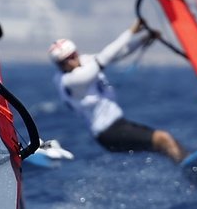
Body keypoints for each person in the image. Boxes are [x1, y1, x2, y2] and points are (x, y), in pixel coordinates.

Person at [48, 20, 188, 163]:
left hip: (118, 125)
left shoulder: (83, 62)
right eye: (65, 61)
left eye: (73, 56)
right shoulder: (71, 80)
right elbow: (105, 58)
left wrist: (142, 40)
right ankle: (192, 169)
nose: (71, 61)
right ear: (58, 65)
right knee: (163, 138)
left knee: (165, 145)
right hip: (109, 133)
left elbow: (117, 54)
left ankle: (194, 169)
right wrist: (131, 31)